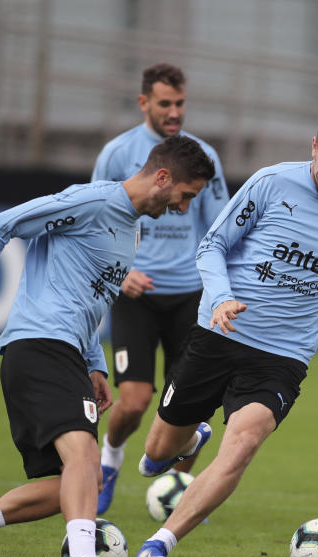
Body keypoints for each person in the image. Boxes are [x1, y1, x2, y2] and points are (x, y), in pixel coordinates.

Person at [0, 136, 216, 557]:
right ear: (163, 177)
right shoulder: (93, 200)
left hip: (60, 353)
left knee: (71, 482)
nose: (184, 208)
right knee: (84, 457)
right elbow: (0, 225)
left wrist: (95, 365)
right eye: (185, 195)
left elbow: (91, 298)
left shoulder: (133, 228)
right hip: (42, 344)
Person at [126, 106, 318, 557]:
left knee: (243, 444)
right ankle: (189, 439)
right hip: (220, 333)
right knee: (156, 454)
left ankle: (160, 543)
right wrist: (222, 298)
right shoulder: (271, 183)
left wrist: (302, 309)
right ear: (313, 148)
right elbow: (212, 246)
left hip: (283, 355)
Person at [91, 62, 229, 515]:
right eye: (165, 103)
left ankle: (176, 497)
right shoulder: (118, 153)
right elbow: (96, 220)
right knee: (133, 402)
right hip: (136, 296)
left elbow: (221, 227)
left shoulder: (202, 158)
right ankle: (110, 460)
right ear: (144, 102)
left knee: (189, 409)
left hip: (190, 295)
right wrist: (120, 272)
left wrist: (218, 287)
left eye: (180, 103)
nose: (174, 112)